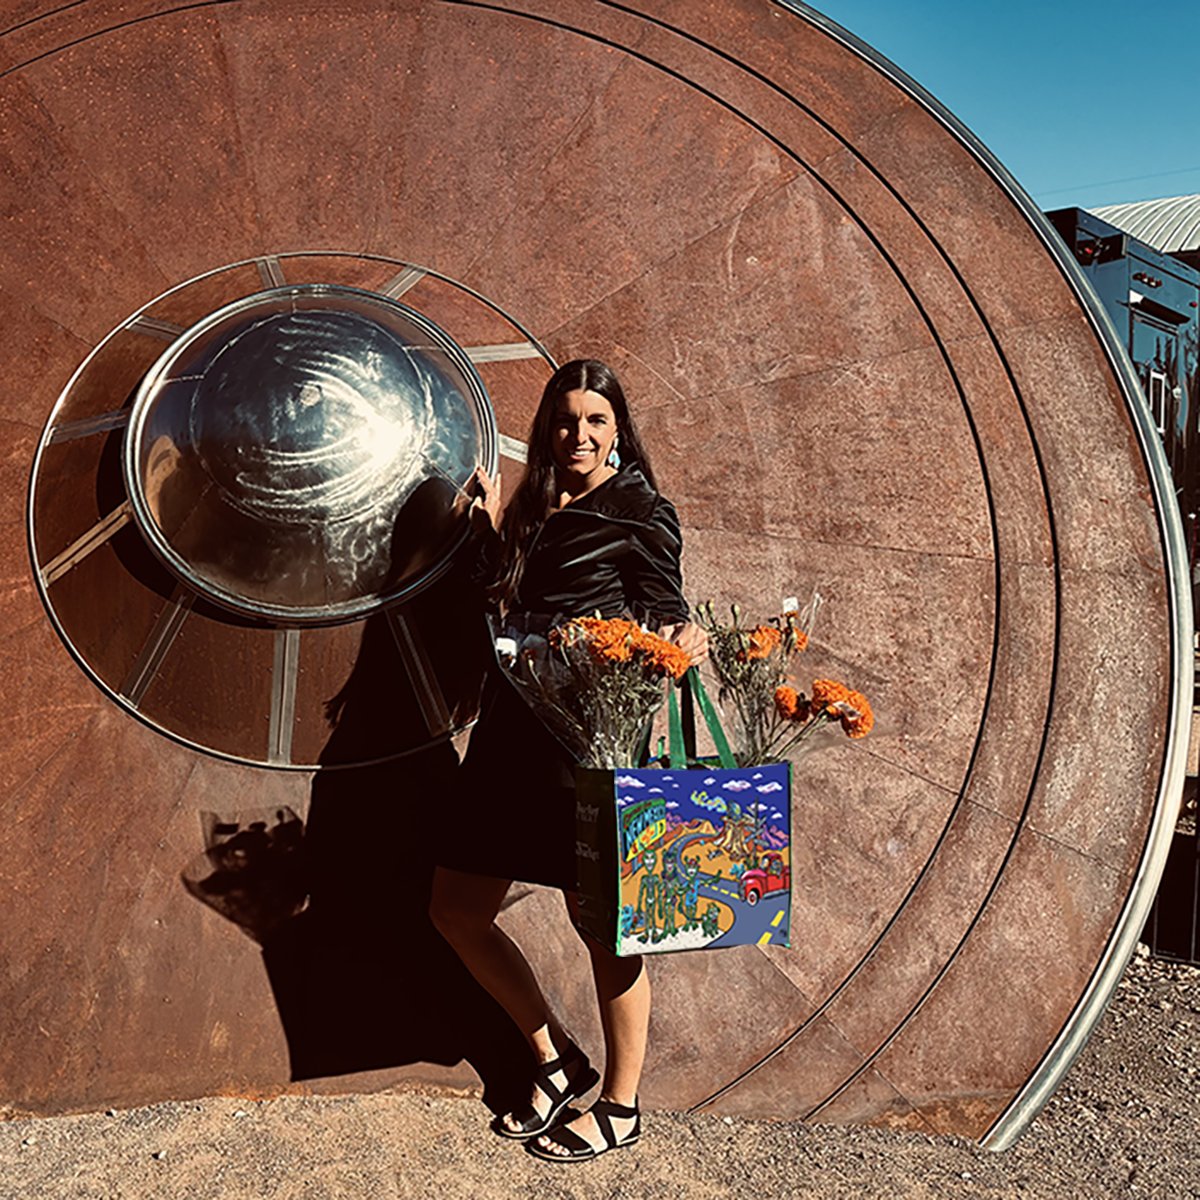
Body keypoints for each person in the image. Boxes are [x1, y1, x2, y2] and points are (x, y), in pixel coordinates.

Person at [429, 359, 707, 1163]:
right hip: (510, 736)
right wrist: (487, 530)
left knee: (606, 932)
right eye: (564, 420)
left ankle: (621, 1105)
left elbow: (665, 606)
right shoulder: (539, 503)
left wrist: (680, 636)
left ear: (618, 427)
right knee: (454, 909)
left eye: (594, 420)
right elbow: (503, 603)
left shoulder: (640, 509)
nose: (577, 436)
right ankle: (555, 1059)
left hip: (586, 746)